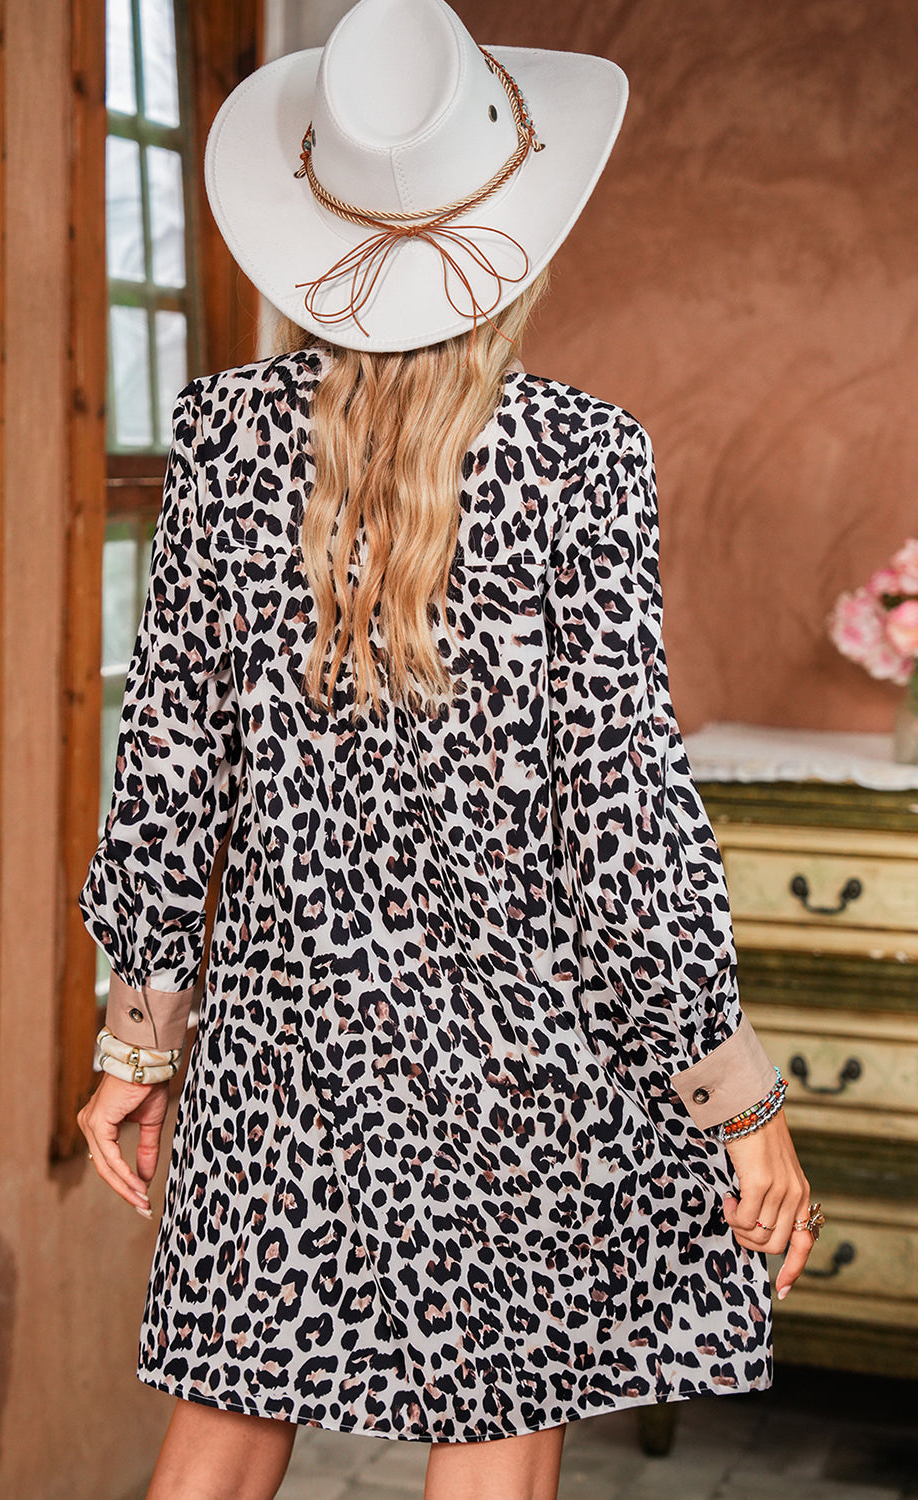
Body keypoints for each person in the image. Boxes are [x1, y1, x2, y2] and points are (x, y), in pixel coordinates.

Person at [76, 2, 823, 1496]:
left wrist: (138, 1040)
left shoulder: (221, 443)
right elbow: (622, 823)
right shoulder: (583, 459)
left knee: (222, 1427)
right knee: (491, 1449)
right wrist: (738, 1100)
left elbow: (164, 772)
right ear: (513, 236)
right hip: (518, 1057)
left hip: (280, 1043)